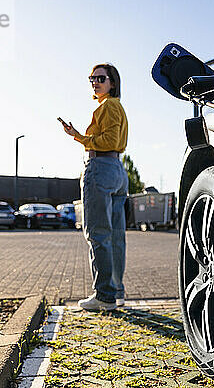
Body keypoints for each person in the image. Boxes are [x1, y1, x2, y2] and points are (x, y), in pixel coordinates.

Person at [58, 63, 129, 311]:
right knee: (116, 236)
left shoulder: (107, 106)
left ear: (112, 82)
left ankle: (105, 296)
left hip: (100, 167)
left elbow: (107, 140)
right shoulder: (117, 106)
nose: (95, 82)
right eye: (92, 78)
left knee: (98, 233)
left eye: (101, 78)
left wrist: (79, 136)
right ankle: (116, 292)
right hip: (118, 170)